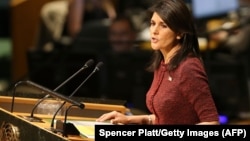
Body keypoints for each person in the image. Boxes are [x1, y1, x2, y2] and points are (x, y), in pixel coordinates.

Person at [96, 0, 219, 125]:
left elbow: (211, 122)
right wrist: (128, 119)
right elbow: (166, 117)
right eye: (153, 23)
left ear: (179, 33)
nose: (154, 31)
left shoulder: (188, 68)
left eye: (163, 25)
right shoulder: (162, 62)